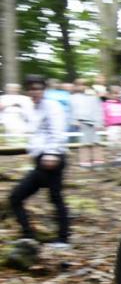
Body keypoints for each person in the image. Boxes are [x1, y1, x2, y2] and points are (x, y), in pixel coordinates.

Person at [8, 75, 71, 248]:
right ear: (27, 90)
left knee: (55, 198)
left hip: (52, 158)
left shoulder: (52, 106)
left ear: (43, 89)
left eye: (38, 88)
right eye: (31, 88)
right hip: (39, 160)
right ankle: (28, 235)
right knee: (15, 197)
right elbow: (31, 129)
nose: (35, 91)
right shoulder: (31, 107)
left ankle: (64, 239)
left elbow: (58, 131)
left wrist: (52, 153)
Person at [69, 80, 105, 168]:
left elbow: (98, 109)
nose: (81, 87)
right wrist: (74, 121)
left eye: (83, 85)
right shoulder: (72, 97)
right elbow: (72, 110)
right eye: (79, 85)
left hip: (93, 122)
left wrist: (99, 122)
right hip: (81, 122)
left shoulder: (93, 97)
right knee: (84, 143)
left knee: (96, 142)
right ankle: (85, 161)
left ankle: (98, 160)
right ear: (75, 86)